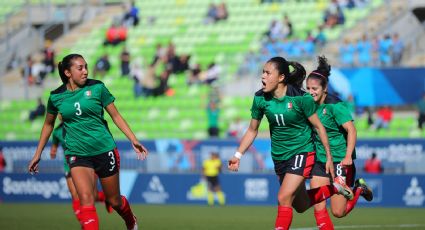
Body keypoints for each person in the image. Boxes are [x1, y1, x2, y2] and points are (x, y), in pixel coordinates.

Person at [227, 57, 353, 230]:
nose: (263, 76)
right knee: (300, 205)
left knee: (283, 197)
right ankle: (335, 188)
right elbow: (252, 130)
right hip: (279, 156)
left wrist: (329, 157)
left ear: (281, 78)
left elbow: (319, 127)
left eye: (268, 73)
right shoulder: (260, 99)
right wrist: (238, 155)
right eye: (263, 72)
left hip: (302, 152)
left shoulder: (300, 99)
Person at [28, 54, 148, 230]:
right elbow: (48, 125)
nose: (85, 71)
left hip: (104, 150)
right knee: (85, 199)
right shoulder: (56, 97)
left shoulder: (98, 87)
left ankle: (130, 220)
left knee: (114, 201)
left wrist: (133, 139)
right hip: (77, 153)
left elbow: (115, 115)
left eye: (86, 67)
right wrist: (37, 154)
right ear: (68, 72)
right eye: (80, 68)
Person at [306, 56, 373, 229]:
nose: (311, 92)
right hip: (320, 160)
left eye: (315, 88)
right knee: (318, 203)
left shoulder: (335, 106)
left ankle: (358, 188)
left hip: (340, 161)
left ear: (325, 88)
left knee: (338, 212)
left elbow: (351, 130)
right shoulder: (308, 104)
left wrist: (348, 157)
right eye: (308, 89)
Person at [49, 114, 113, 227]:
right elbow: (54, 146)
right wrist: (53, 151)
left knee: (92, 196)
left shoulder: (79, 125)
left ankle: (106, 197)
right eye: (59, 113)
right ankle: (84, 222)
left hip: (87, 163)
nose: (61, 114)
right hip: (69, 165)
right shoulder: (57, 132)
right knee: (75, 194)